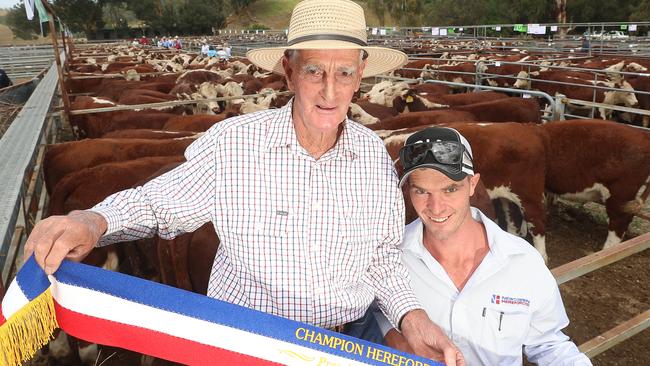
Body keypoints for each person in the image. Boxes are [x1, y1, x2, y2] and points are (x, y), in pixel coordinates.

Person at [24, 0, 464, 364]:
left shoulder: (373, 156)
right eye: (315, 72)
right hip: (244, 345)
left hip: (344, 346)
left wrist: (413, 318)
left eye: (344, 72)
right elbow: (159, 204)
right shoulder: (235, 143)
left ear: (361, 74)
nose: (330, 91)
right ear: (289, 73)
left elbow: (383, 258)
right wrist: (93, 220)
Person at [372, 126, 592, 365]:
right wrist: (394, 336)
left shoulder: (522, 261)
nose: (436, 207)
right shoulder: (389, 256)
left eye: (450, 189)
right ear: (409, 191)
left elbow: (549, 344)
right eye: (421, 191)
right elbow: (371, 311)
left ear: (473, 184)